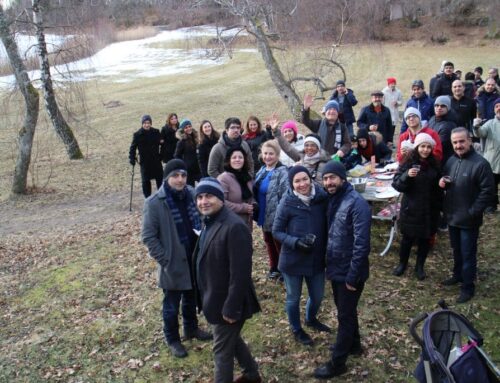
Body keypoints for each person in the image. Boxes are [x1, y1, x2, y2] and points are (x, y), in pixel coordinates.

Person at [193, 178, 261, 383]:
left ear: (221, 198)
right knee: (230, 339)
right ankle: (251, 374)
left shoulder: (234, 227)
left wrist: (231, 308)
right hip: (214, 298)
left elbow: (240, 273)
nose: (204, 201)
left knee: (221, 351)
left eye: (209, 196)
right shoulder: (210, 220)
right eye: (200, 197)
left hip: (228, 303)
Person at [142, 159, 212, 358]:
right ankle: (172, 339)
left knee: (191, 298)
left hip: (194, 257)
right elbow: (148, 236)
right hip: (173, 263)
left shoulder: (192, 194)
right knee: (171, 305)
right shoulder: (154, 203)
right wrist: (166, 260)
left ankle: (191, 329)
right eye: (175, 175)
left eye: (183, 175)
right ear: (167, 177)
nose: (180, 180)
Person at [314, 161, 371, 379]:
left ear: (343, 179)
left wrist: (352, 275)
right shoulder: (333, 199)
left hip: (349, 271)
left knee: (345, 317)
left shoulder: (357, 204)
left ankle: (338, 364)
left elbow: (361, 244)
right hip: (336, 267)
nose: (328, 182)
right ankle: (354, 346)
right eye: (325, 178)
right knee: (345, 311)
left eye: (332, 178)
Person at [272, 166, 329, 346]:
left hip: (316, 258)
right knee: (293, 297)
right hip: (293, 259)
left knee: (317, 295)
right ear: (292, 184)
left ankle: (311, 318)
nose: (302, 184)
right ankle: (297, 329)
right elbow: (277, 231)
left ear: (310, 178)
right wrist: (295, 242)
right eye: (297, 181)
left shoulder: (322, 198)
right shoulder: (287, 202)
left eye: (304, 179)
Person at [439, 128, 495, 303]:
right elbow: (446, 180)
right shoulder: (451, 161)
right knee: (456, 250)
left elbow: (488, 192)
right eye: (455, 142)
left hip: (469, 219)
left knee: (468, 253)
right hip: (453, 216)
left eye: (461, 141)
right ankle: (457, 275)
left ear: (469, 140)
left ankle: (468, 287)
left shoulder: (481, 164)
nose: (458, 145)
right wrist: (442, 183)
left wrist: (473, 212)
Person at [391, 133, 442, 280]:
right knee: (407, 238)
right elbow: (397, 184)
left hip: (429, 209)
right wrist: (407, 175)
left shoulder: (435, 164)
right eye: (422, 146)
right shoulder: (408, 162)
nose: (425, 150)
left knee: (425, 239)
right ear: (417, 147)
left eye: (428, 147)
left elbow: (439, 186)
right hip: (411, 208)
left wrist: (443, 184)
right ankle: (402, 264)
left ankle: (420, 266)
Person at [253, 140, 289, 280]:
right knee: (268, 240)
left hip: (276, 214)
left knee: (278, 242)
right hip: (263, 212)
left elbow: (285, 195)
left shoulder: (282, 172)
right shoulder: (262, 170)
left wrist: (280, 216)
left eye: (271, 154)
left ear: (277, 155)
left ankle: (284, 269)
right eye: (265, 153)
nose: (268, 157)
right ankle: (274, 267)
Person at [217, 147, 254, 231]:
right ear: (229, 160)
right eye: (234, 157)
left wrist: (253, 205)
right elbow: (220, 202)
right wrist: (243, 208)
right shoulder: (223, 178)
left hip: (247, 222)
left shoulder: (247, 176)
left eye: (240, 157)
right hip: (230, 224)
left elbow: (251, 196)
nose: (237, 160)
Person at [473, 98, 500, 212]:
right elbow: (481, 133)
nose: (499, 108)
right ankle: (491, 205)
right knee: (491, 185)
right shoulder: (490, 123)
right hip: (492, 161)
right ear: (494, 109)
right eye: (497, 106)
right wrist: (476, 126)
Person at [129, 114, 163, 198]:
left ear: (151, 123)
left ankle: (162, 196)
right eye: (145, 123)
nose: (147, 125)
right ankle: (148, 199)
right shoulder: (137, 135)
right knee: (146, 181)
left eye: (148, 123)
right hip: (145, 162)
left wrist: (161, 155)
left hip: (156, 160)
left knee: (160, 179)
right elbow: (132, 148)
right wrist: (132, 158)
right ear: (142, 124)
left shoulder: (156, 132)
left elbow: (162, 143)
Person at [428, 95, 457, 164]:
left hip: (442, 160)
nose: (439, 108)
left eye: (443, 106)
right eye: (436, 105)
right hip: (431, 156)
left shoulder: (448, 125)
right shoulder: (432, 119)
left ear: (448, 108)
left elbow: (440, 146)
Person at [174, 119, 201, 186]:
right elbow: (176, 156)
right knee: (190, 190)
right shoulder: (181, 142)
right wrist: (183, 165)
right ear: (182, 129)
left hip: (198, 168)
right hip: (188, 171)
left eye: (189, 126)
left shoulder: (196, 137)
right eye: (186, 127)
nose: (188, 128)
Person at [382, 77, 403, 142]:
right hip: (386, 113)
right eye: (391, 83)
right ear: (388, 84)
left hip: (394, 113)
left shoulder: (398, 91)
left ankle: (390, 142)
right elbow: (382, 103)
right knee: (386, 128)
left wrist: (397, 103)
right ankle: (385, 141)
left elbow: (401, 101)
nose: (393, 85)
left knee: (393, 128)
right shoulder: (384, 92)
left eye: (394, 83)